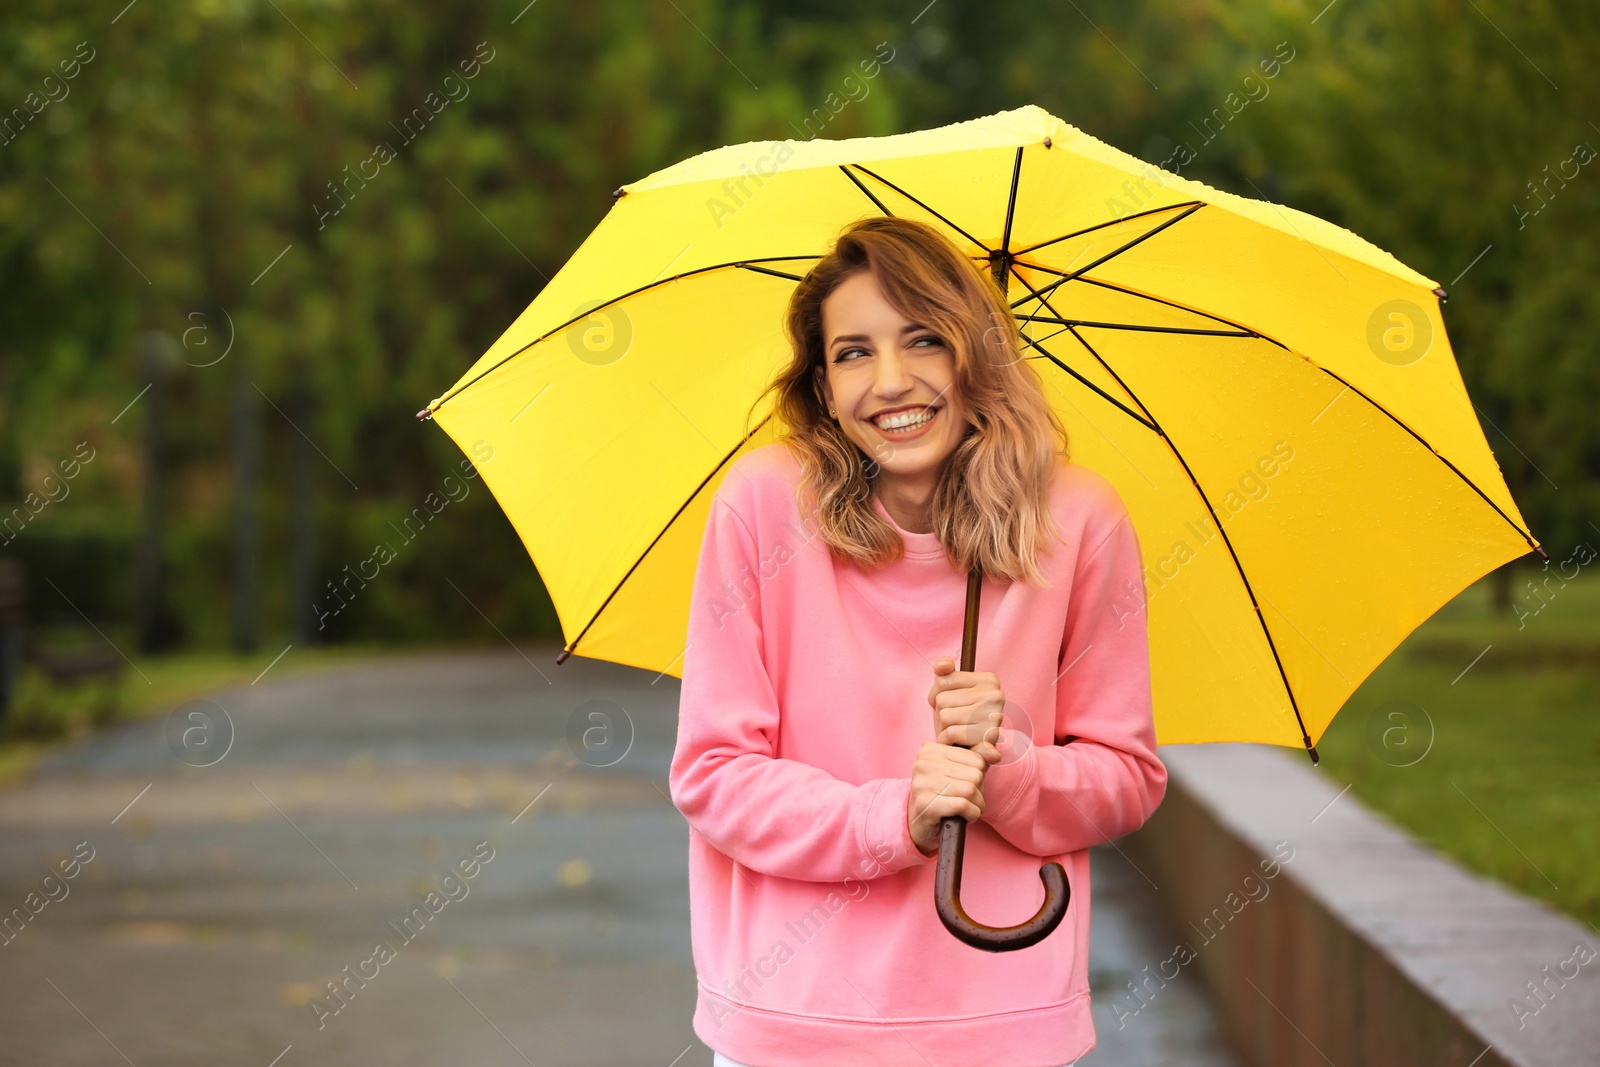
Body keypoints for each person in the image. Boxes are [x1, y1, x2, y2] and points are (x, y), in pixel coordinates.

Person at [668, 215, 1167, 1067]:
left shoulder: (1080, 519)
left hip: (1003, 1024)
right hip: (794, 1023)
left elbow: (1126, 778)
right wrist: (894, 815)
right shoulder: (760, 505)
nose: (891, 381)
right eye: (854, 352)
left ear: (977, 358)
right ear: (823, 386)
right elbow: (712, 774)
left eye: (924, 340)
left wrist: (1008, 768)